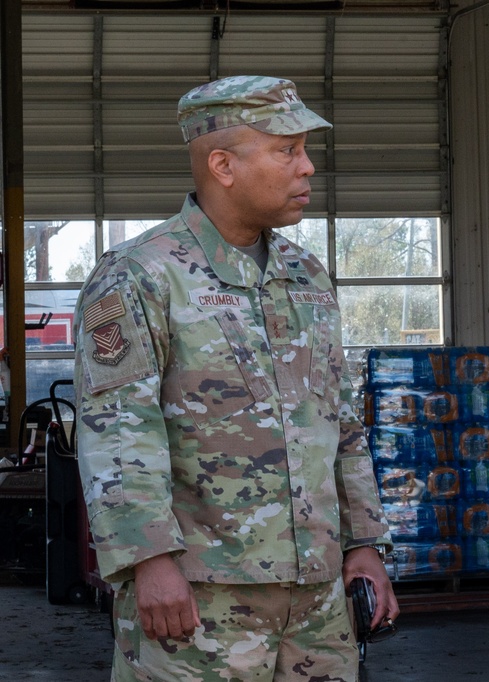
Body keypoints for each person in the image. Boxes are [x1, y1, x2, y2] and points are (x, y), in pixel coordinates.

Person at [74, 75, 399, 681]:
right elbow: (117, 432)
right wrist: (151, 562)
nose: (307, 169)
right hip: (200, 598)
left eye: (306, 151)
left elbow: (341, 419)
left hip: (318, 600)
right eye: (287, 151)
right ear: (222, 164)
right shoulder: (141, 276)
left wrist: (363, 545)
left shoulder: (305, 274)